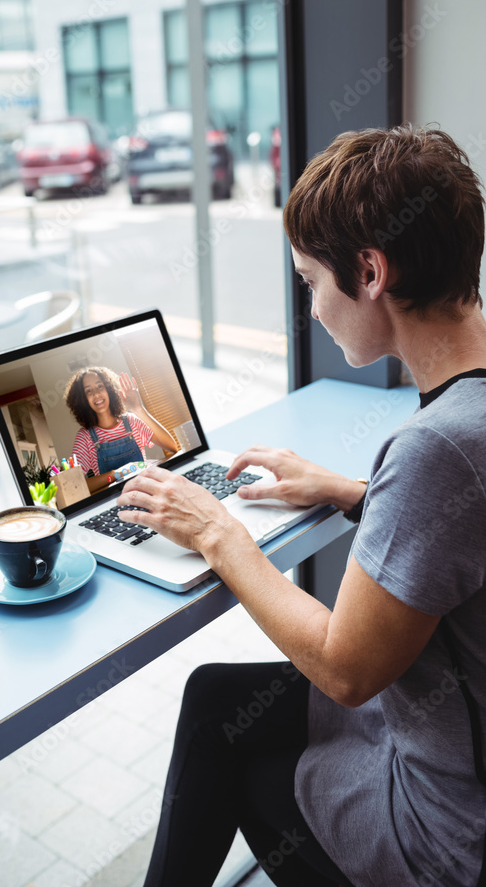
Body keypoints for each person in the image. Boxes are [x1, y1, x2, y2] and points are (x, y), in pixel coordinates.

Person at [117, 124, 486, 887]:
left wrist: (218, 532)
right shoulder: (461, 423)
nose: (312, 308)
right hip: (456, 735)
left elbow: (346, 672)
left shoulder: (433, 451)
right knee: (217, 696)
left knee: (246, 769)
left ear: (370, 270)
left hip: (451, 834)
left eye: (310, 281)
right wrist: (357, 493)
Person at [65, 366, 179, 493]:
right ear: (82, 400)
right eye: (88, 391)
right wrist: (117, 474)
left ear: (109, 389)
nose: (96, 394)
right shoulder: (85, 437)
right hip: (114, 500)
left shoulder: (132, 421)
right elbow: (74, 485)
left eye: (100, 386)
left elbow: (172, 447)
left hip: (148, 491)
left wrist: (138, 409)